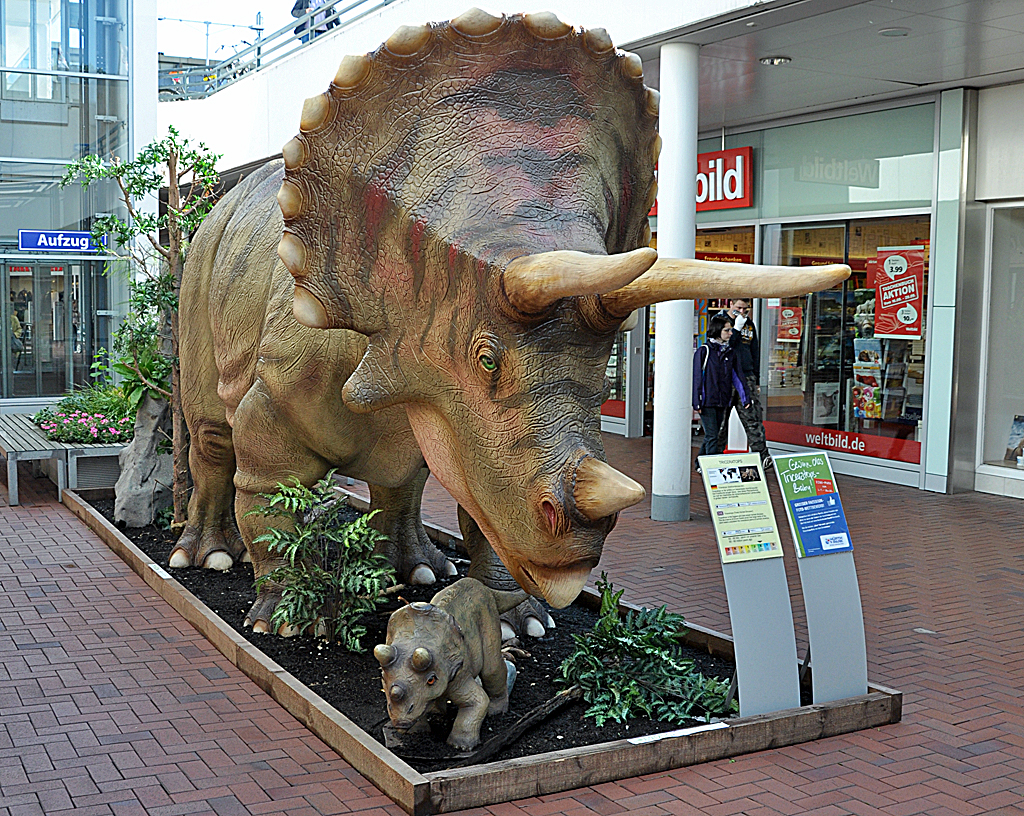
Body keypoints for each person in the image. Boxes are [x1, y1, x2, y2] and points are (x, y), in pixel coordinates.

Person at [714, 297, 772, 471]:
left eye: (746, 309)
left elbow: (754, 351)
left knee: (752, 418)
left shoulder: (750, 325)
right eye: (739, 307)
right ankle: (712, 459)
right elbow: (724, 347)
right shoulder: (720, 322)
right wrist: (736, 329)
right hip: (725, 377)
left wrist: (756, 378)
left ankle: (762, 456)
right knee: (720, 421)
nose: (742, 311)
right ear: (730, 304)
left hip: (746, 377)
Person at [693, 313, 749, 472]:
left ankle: (700, 462)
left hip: (722, 399)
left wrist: (745, 398)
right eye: (727, 330)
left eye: (731, 330)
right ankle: (712, 467)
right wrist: (696, 400)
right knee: (712, 435)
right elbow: (697, 377)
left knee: (713, 433)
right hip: (707, 400)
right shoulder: (704, 351)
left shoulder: (730, 352)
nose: (730, 333)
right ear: (718, 330)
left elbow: (737, 375)